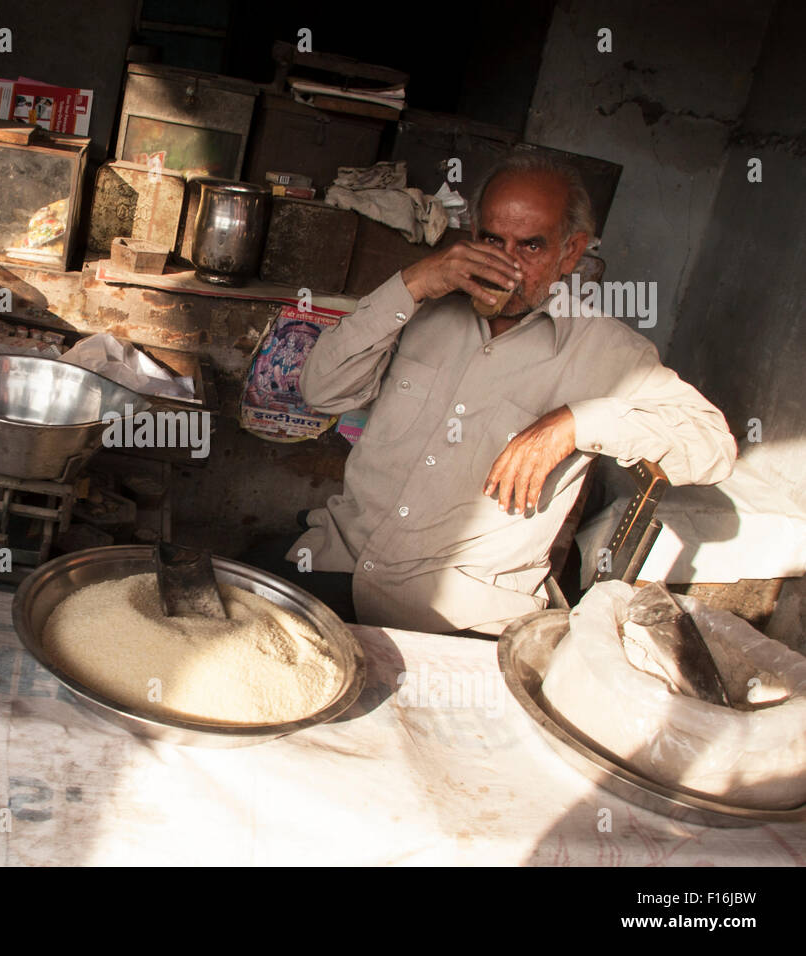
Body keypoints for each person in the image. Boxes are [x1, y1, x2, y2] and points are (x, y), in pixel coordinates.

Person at [282, 152, 736, 636]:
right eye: (491, 240)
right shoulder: (423, 305)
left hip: (462, 613)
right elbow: (321, 391)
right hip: (337, 564)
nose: (506, 264)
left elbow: (715, 449)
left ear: (570, 252)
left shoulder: (606, 351)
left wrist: (577, 422)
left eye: (532, 246)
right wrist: (412, 283)